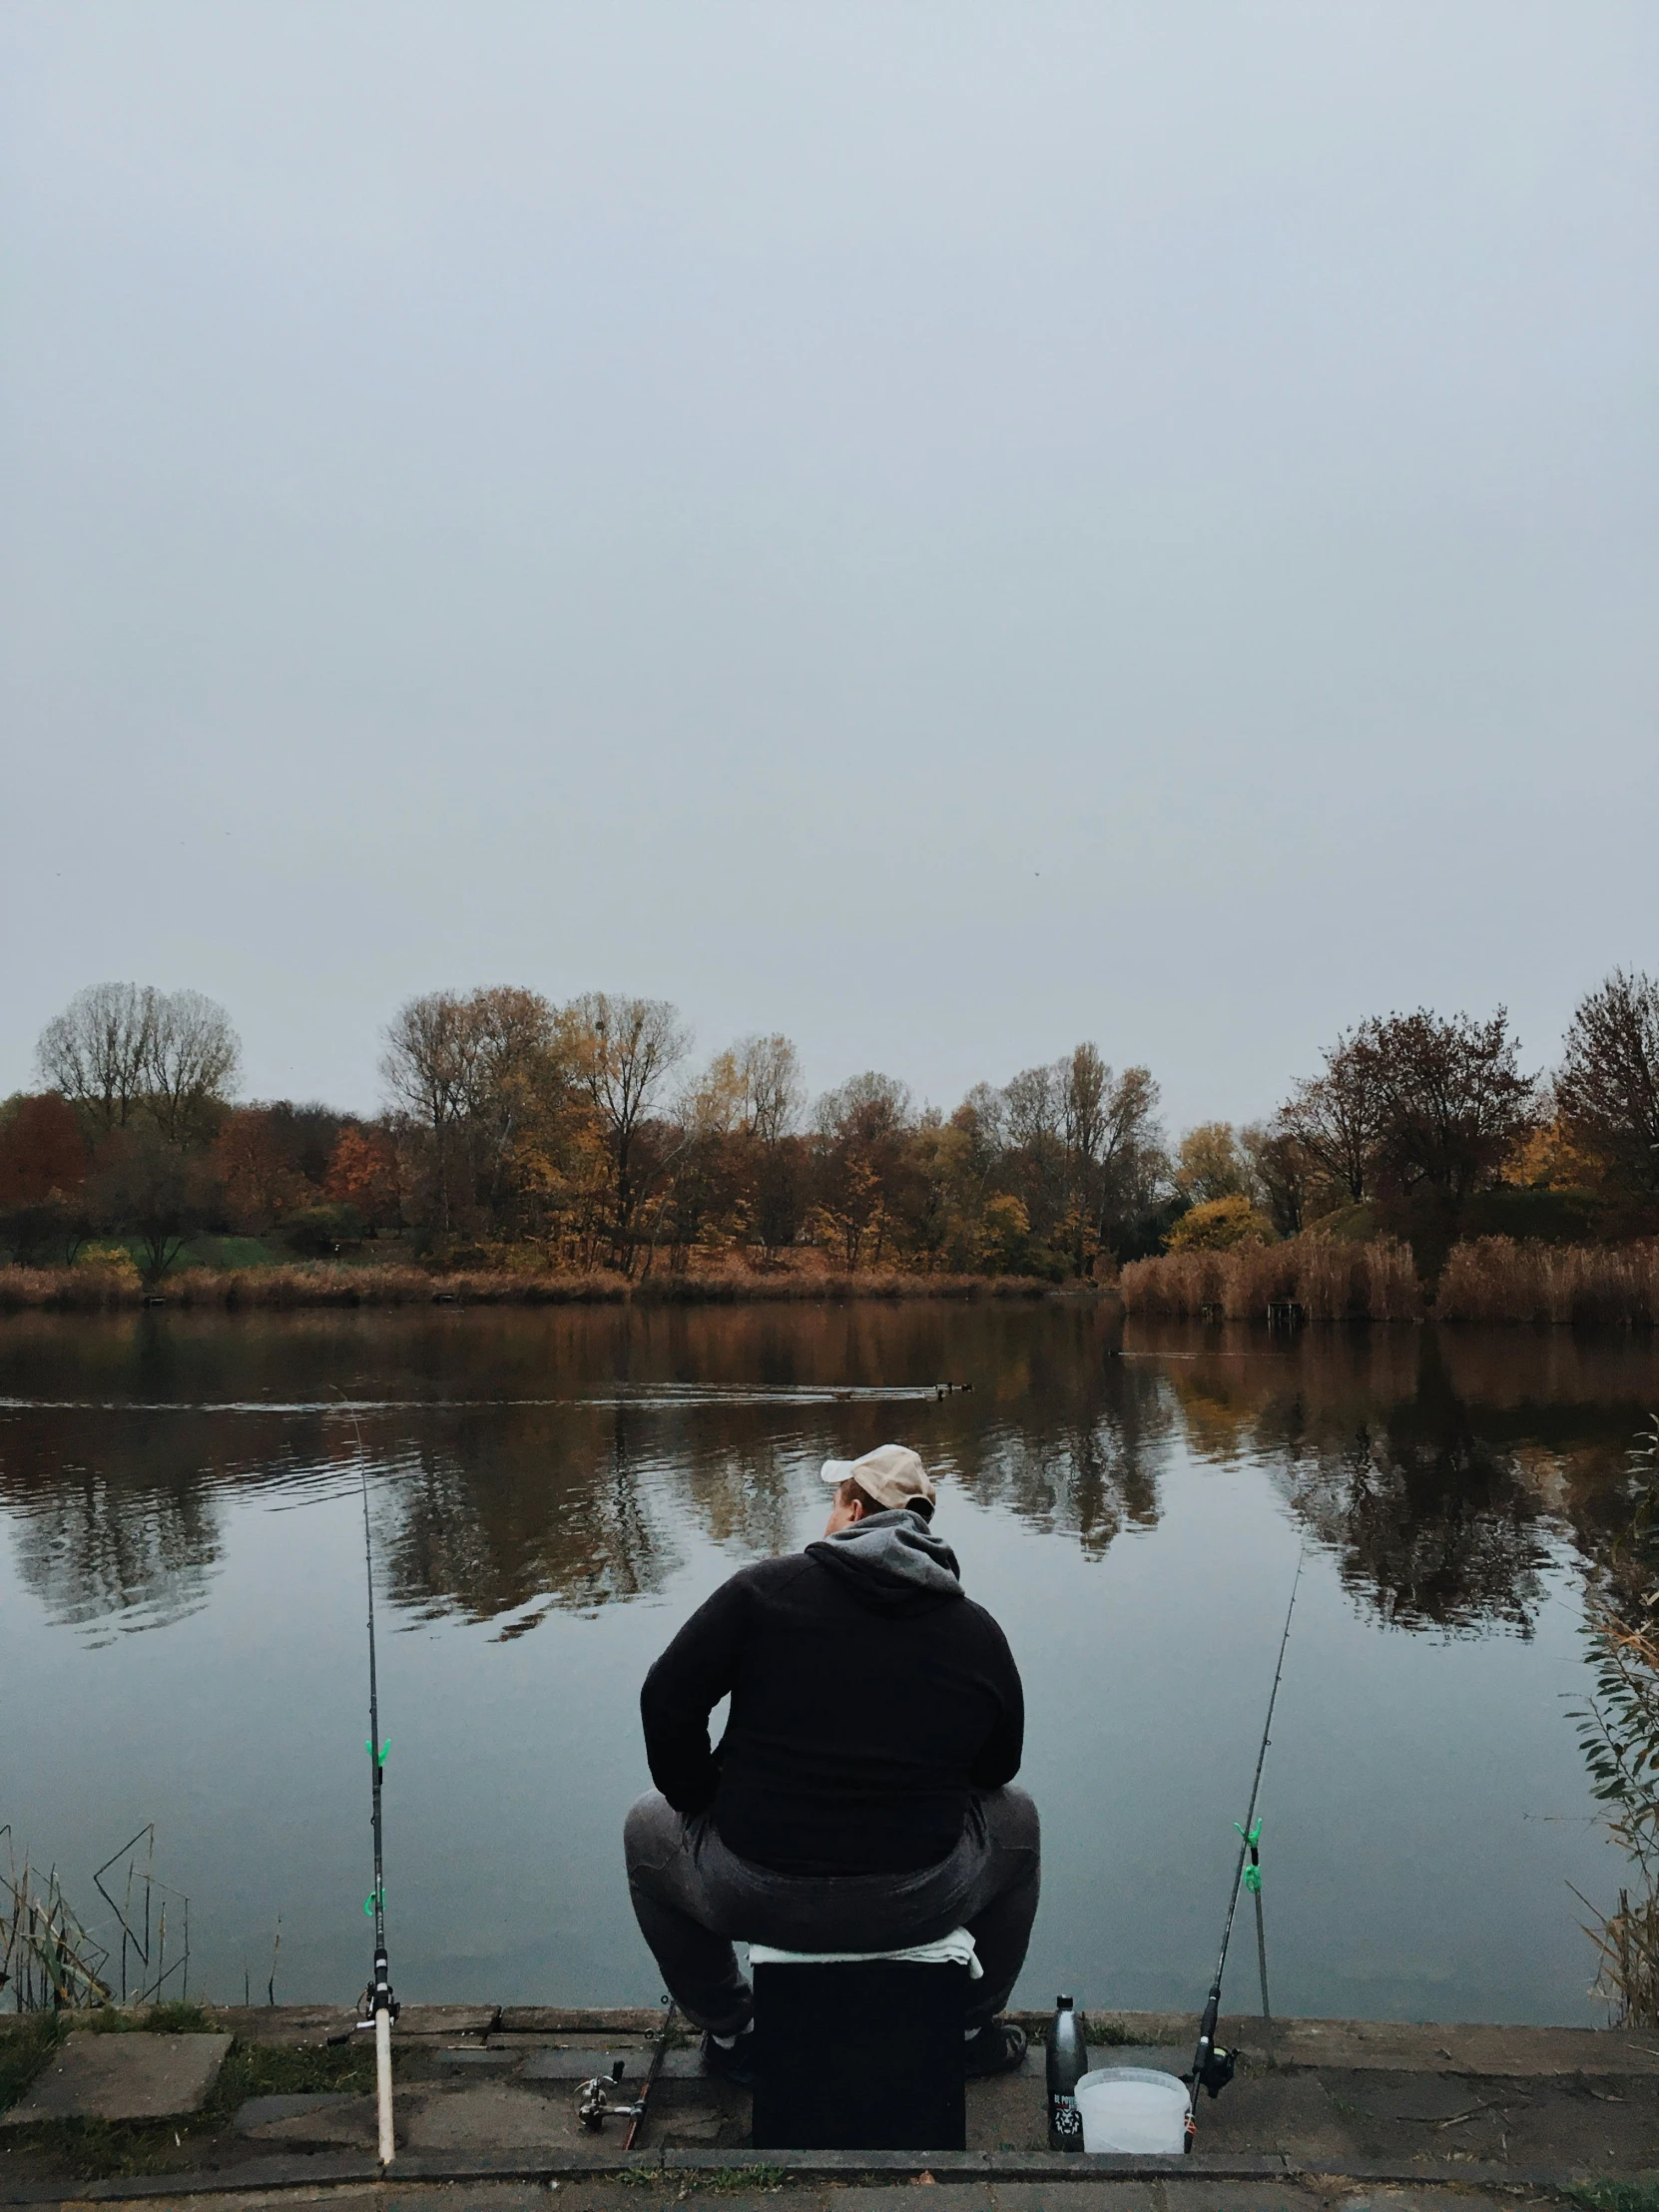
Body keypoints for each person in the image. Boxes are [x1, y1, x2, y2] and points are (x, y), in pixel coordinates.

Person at [624, 1442, 1039, 2084]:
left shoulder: (761, 1592)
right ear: (921, 1527)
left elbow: (665, 1697)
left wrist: (698, 1794)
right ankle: (964, 2030)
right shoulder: (974, 1630)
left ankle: (736, 2035)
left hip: (755, 1887)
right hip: (920, 1896)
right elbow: (997, 1771)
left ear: (851, 1509)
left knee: (645, 1827)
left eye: (831, 1503)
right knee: (1020, 1823)